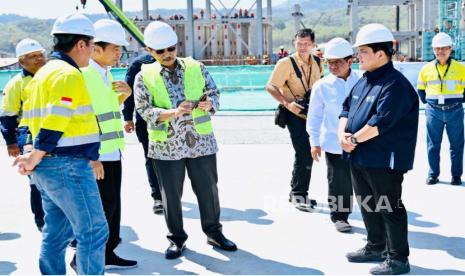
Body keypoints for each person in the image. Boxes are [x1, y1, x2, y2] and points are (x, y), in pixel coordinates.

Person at [13, 13, 109, 275]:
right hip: (67, 166)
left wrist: (32, 154)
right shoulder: (68, 74)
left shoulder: (43, 74)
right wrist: (35, 155)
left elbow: (29, 121)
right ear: (80, 45)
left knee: (56, 233)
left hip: (48, 167)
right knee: (94, 230)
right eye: (91, 45)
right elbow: (56, 118)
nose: (92, 51)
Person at [133, 21, 237, 259]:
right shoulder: (143, 77)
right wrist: (174, 112)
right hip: (166, 147)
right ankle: (177, 240)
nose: (167, 54)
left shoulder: (196, 67)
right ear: (149, 51)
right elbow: (144, 110)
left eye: (171, 48)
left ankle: (214, 233)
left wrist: (210, 104)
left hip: (201, 142)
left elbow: (214, 93)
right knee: (171, 196)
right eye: (160, 51)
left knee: (208, 191)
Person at [338, 23, 418, 275]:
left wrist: (352, 140)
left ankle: (398, 259)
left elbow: (380, 122)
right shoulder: (364, 81)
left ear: (380, 54)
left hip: (384, 159)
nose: (357, 56)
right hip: (360, 156)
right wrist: (342, 134)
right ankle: (375, 245)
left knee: (388, 206)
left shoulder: (395, 84)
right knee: (367, 203)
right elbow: (346, 109)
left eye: (362, 51)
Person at [80, 19, 137, 269]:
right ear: (96, 49)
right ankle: (81, 259)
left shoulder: (106, 73)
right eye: (115, 48)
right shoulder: (85, 75)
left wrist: (124, 97)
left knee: (113, 207)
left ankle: (108, 252)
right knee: (102, 209)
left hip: (113, 152)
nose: (119, 53)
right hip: (98, 156)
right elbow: (84, 119)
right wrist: (92, 156)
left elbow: (106, 111)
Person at [265, 28, 323, 212]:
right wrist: (287, 103)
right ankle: (299, 194)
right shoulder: (285, 63)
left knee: (309, 152)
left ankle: (297, 192)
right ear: (294, 43)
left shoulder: (318, 61)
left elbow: (320, 86)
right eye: (299, 43)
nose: (303, 47)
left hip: (311, 113)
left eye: (306, 44)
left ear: (313, 44)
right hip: (293, 113)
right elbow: (270, 86)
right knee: (304, 151)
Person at [307, 37, 359, 232]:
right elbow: (314, 117)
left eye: (338, 62)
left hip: (360, 141)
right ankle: (339, 216)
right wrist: (314, 142)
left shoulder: (362, 81)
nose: (333, 66)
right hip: (333, 142)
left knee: (364, 180)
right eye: (329, 62)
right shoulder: (322, 86)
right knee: (338, 181)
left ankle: (373, 214)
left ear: (350, 61)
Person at [0, 38, 46, 231]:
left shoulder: (52, 77)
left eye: (40, 55)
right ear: (21, 62)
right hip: (28, 139)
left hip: (53, 136)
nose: (38, 59)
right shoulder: (15, 84)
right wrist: (11, 142)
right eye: (32, 57)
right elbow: (7, 116)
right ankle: (42, 223)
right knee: (37, 183)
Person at [417, 32, 465, 186]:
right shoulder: (426, 69)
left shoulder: (460, 68)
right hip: (433, 111)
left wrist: (456, 101)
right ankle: (433, 174)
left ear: (451, 49)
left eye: (444, 48)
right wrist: (430, 102)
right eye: (437, 49)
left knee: (457, 145)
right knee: (433, 145)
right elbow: (421, 89)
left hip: (455, 111)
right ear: (433, 50)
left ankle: (456, 176)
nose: (441, 52)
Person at [123, 50, 164, 215]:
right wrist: (127, 117)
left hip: (172, 120)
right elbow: (129, 93)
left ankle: (170, 193)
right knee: (151, 157)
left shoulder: (176, 62)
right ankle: (158, 196)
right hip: (145, 121)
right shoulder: (138, 64)